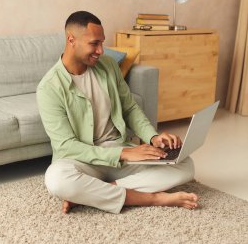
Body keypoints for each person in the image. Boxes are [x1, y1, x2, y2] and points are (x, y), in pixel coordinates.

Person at [37, 11, 198, 215]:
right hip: (82, 159)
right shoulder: (49, 87)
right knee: (56, 180)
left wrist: (153, 137)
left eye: (102, 43)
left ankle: (97, 192)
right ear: (71, 40)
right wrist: (123, 152)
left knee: (185, 165)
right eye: (94, 43)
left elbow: (130, 108)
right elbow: (66, 146)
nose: (100, 50)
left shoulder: (109, 66)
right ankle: (151, 198)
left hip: (119, 151)